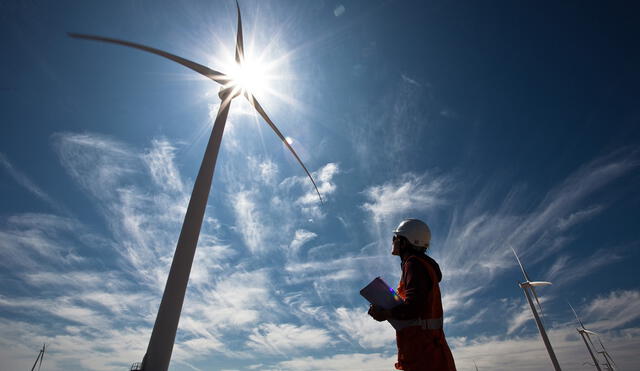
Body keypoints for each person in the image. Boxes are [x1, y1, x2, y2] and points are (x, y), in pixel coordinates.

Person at [368, 218, 456, 371]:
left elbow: (413, 307)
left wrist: (385, 313)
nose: (393, 241)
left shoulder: (413, 264)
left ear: (405, 242)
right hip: (428, 351)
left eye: (396, 237)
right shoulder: (420, 265)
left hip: (425, 356)